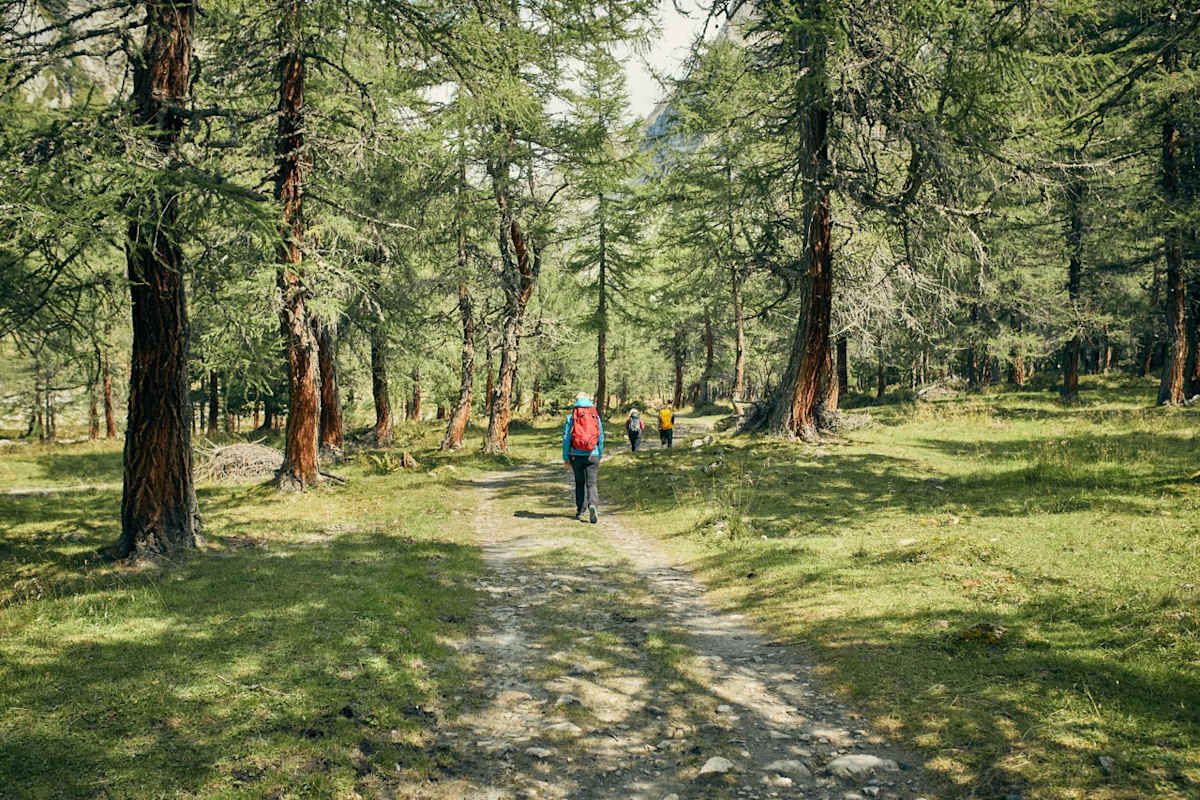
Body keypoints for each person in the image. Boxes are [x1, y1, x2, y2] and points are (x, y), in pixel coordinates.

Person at [562, 392, 604, 523]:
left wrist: (565, 457)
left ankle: (580, 510)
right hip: (593, 454)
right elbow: (600, 437)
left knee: (580, 483)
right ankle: (592, 505)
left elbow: (566, 438)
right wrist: (599, 454)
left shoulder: (571, 416)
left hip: (576, 455)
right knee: (592, 483)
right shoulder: (595, 416)